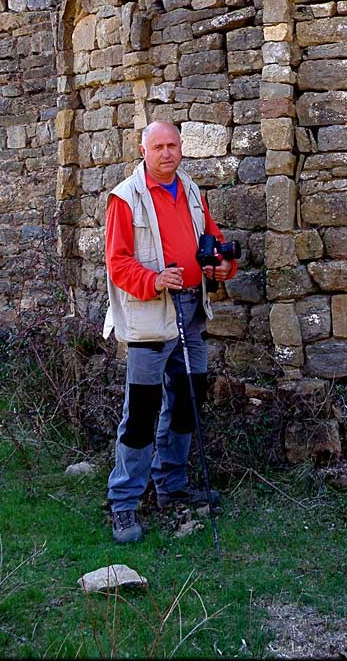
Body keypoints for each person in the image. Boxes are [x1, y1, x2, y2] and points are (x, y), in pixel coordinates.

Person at [103, 120, 237, 543]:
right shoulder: (125, 198)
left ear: (182, 148)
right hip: (148, 319)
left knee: (185, 405)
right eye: (158, 146)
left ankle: (172, 488)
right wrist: (155, 279)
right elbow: (117, 261)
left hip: (191, 313)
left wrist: (221, 268)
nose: (167, 153)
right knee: (141, 412)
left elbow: (213, 243)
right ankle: (123, 504)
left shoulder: (193, 191)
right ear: (143, 150)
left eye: (173, 145)